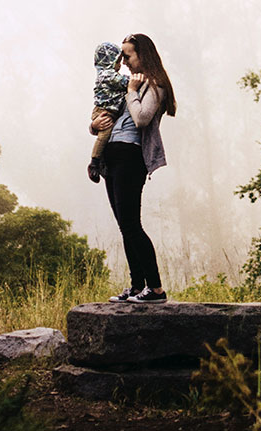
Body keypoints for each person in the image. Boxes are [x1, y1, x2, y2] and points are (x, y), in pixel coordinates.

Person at [90, 33, 176, 304]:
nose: (123, 61)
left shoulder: (154, 84)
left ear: (143, 55)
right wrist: (94, 125)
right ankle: (138, 286)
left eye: (127, 55)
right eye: (122, 56)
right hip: (112, 155)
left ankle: (156, 289)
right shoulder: (129, 83)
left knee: (132, 224)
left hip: (131, 155)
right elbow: (107, 114)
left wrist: (130, 92)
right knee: (124, 225)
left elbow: (141, 118)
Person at [87, 42, 130, 183]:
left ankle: (101, 162)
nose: (121, 65)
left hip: (109, 111)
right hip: (103, 112)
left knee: (107, 133)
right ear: (109, 61)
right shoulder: (107, 75)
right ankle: (94, 162)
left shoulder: (107, 74)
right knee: (105, 133)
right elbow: (124, 82)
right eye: (118, 61)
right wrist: (137, 80)